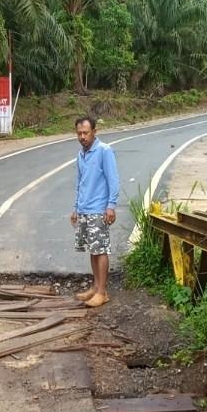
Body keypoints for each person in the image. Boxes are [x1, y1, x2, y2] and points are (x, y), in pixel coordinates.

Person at [70, 116, 120, 307]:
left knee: (101, 250)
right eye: (79, 133)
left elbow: (113, 179)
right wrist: (76, 207)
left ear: (94, 132)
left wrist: (111, 206)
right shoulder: (80, 155)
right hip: (84, 209)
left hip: (99, 209)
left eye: (86, 133)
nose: (82, 136)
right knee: (93, 249)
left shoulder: (104, 151)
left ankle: (102, 292)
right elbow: (80, 183)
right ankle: (96, 286)